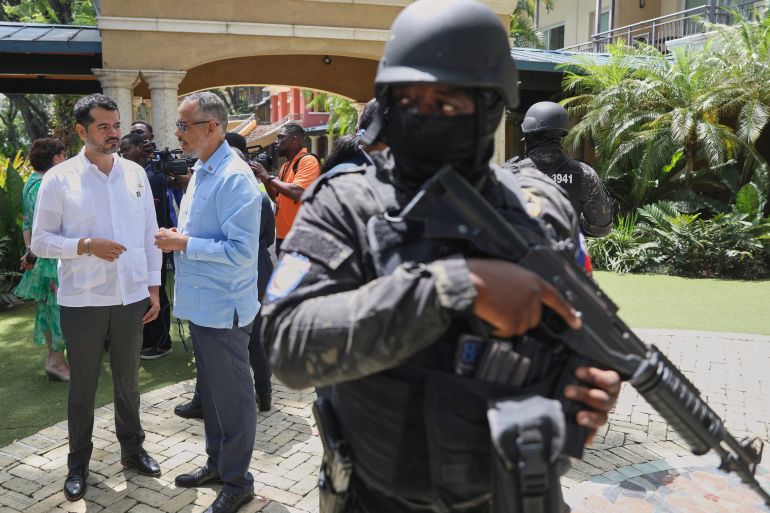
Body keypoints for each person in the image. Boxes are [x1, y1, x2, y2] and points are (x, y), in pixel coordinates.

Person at [260, 1, 622, 512]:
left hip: (516, 493)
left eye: (450, 102)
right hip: (381, 495)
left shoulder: (540, 207)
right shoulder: (347, 202)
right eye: (409, 101)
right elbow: (287, 345)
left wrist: (586, 382)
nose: (427, 117)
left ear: (492, 107)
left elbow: (575, 326)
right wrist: (451, 287)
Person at [30, 93, 162, 502]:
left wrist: (154, 287)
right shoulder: (59, 178)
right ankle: (78, 464)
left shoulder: (136, 174)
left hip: (130, 294)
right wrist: (86, 245)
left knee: (128, 382)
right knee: (83, 387)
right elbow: (40, 242)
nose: (113, 134)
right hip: (83, 300)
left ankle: (133, 448)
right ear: (81, 131)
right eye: (103, 127)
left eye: (116, 125)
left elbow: (149, 235)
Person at [155, 92, 261, 513]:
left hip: (224, 308)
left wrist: (182, 242)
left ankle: (238, 481)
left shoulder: (235, 178)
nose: (177, 134)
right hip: (204, 305)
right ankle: (218, 464)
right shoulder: (202, 168)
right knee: (215, 395)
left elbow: (240, 251)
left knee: (234, 398)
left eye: (184, 126)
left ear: (213, 127)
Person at [174, 133, 276, 419]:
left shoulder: (243, 187)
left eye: (185, 126)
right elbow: (266, 239)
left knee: (248, 343)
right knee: (246, 343)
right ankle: (259, 393)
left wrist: (184, 243)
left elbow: (250, 245)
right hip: (249, 273)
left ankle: (262, 393)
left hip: (245, 277)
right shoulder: (208, 180)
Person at [504, 101, 613, 237]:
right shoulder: (584, 173)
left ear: (528, 138)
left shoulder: (510, 174)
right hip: (566, 254)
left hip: (522, 255)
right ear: (560, 136)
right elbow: (601, 228)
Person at [14, 137, 70, 382]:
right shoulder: (44, 184)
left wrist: (29, 252)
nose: (66, 161)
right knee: (57, 310)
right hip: (50, 259)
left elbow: (28, 223)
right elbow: (45, 227)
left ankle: (54, 359)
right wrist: (33, 253)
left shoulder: (31, 183)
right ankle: (57, 361)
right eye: (64, 156)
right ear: (56, 158)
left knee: (49, 309)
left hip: (40, 258)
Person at [120, 133, 174, 359]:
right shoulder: (133, 174)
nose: (121, 155)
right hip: (141, 244)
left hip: (155, 243)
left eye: (125, 150)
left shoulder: (153, 174)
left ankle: (161, 342)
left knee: (157, 290)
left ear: (141, 148)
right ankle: (150, 338)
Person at [250, 123, 319, 251]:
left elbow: (297, 192)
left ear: (294, 139)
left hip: (299, 237)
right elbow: (275, 196)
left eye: (281, 137)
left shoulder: (308, 160)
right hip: (283, 236)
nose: (276, 142)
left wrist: (268, 176)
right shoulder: (286, 165)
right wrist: (264, 177)